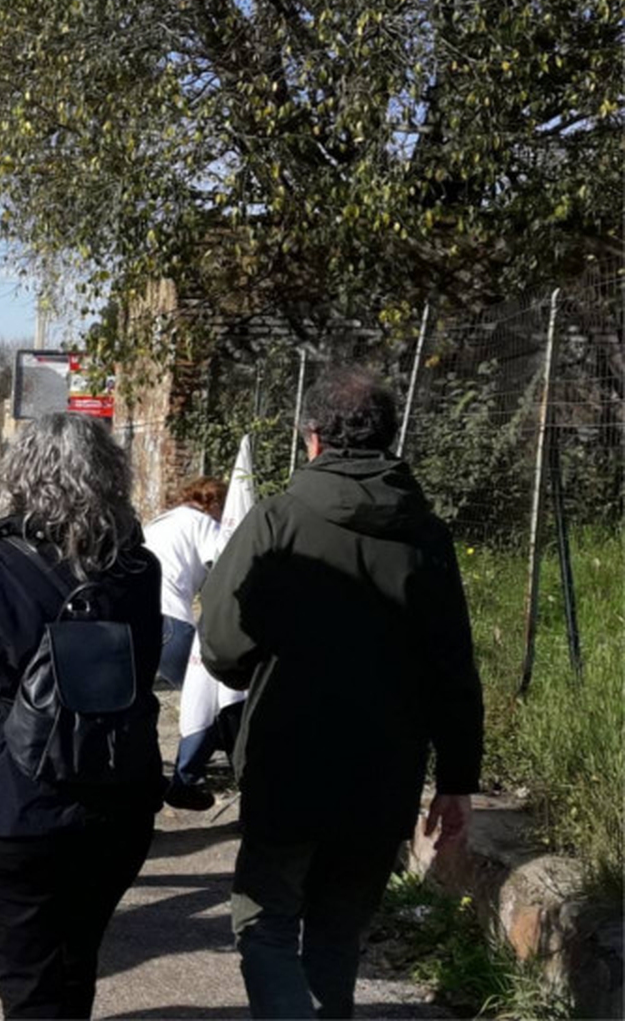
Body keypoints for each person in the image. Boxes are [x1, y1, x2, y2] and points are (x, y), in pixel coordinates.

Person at [199, 366, 482, 1020]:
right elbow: (453, 667)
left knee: (264, 921)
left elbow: (220, 642)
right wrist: (458, 778)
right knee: (338, 931)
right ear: (388, 439)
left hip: (288, 758)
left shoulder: (276, 520)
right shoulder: (426, 535)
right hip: (384, 771)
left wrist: (255, 674)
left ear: (314, 439)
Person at [0, 412, 163, 1018]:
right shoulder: (138, 567)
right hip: (115, 795)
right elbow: (143, 671)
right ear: (107, 475)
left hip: (10, 800)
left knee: (28, 981)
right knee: (75, 964)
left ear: (16, 476)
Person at [142, 476, 230, 812]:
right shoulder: (204, 524)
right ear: (215, 503)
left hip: (142, 618)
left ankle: (155, 778)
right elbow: (223, 570)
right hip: (173, 620)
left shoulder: (161, 522)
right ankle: (186, 779)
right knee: (209, 698)